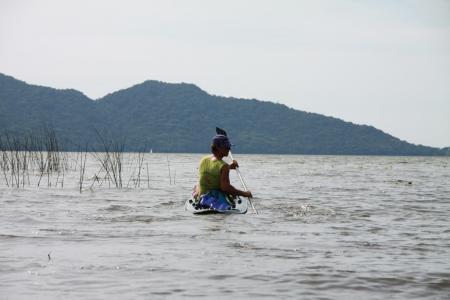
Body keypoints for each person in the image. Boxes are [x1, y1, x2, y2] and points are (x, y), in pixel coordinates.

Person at [193, 134, 252, 210]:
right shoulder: (223, 166)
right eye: (227, 147)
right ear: (218, 148)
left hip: (202, 194)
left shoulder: (204, 159)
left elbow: (213, 171)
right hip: (215, 198)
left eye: (229, 147)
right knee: (232, 197)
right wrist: (245, 194)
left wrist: (229, 167)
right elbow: (226, 188)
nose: (229, 149)